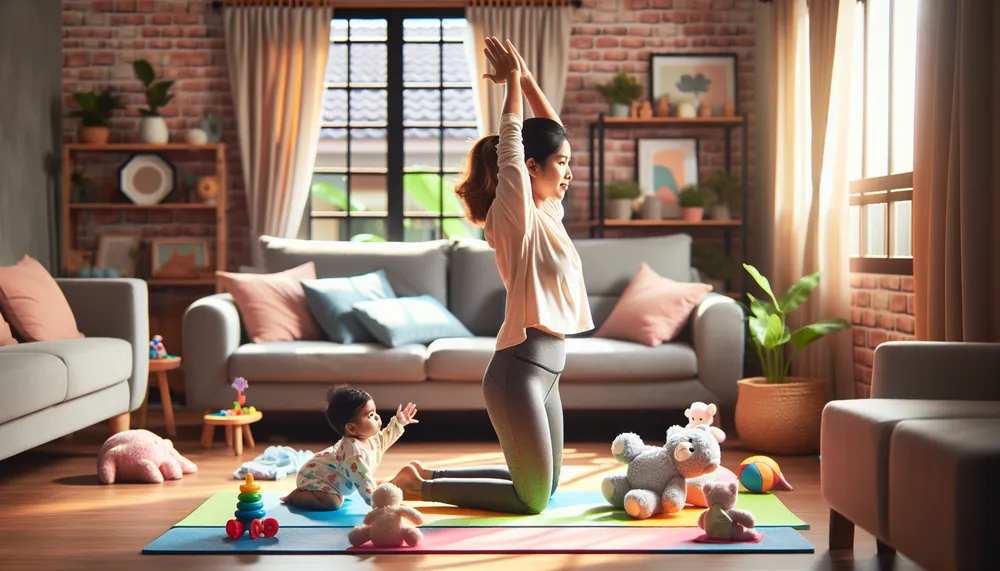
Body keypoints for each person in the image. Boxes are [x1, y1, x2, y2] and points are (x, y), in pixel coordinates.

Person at [388, 37, 593, 515]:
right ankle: (421, 490)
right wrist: (509, 94)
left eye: (568, 163)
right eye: (561, 164)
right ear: (529, 169)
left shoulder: (547, 210)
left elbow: (552, 130)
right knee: (534, 501)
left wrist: (525, 77)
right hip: (518, 370)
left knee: (546, 485)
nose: (568, 172)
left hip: (548, 370)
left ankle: (422, 476)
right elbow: (515, 144)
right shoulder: (513, 213)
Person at [281, 385, 419, 511]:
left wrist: (399, 422)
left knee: (340, 497)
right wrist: (379, 506)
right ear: (352, 428)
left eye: (375, 412)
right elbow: (364, 481)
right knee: (332, 503)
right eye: (370, 415)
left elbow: (386, 437)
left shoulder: (371, 439)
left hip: (327, 472)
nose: (377, 417)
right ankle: (295, 496)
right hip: (315, 476)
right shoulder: (353, 454)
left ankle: (328, 492)